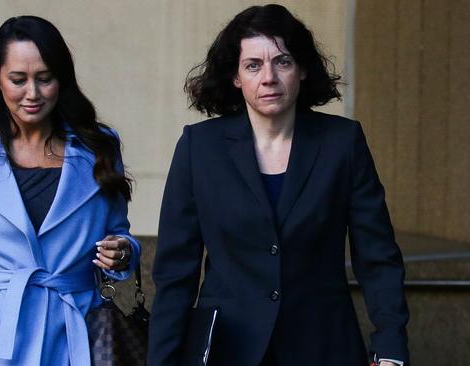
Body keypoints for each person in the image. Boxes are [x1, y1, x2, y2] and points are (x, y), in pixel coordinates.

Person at [148, 4, 408, 366]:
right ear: (236, 77)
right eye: (253, 65)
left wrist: (391, 349)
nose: (268, 77)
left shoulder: (342, 143)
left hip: (323, 345)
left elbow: (377, 257)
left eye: (282, 61)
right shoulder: (199, 147)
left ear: (302, 69)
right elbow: (176, 272)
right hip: (228, 348)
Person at [0, 16, 140, 366]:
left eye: (44, 79)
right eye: (18, 79)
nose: (32, 93)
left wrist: (123, 253)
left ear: (61, 81)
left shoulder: (99, 148)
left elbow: (118, 234)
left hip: (72, 334)